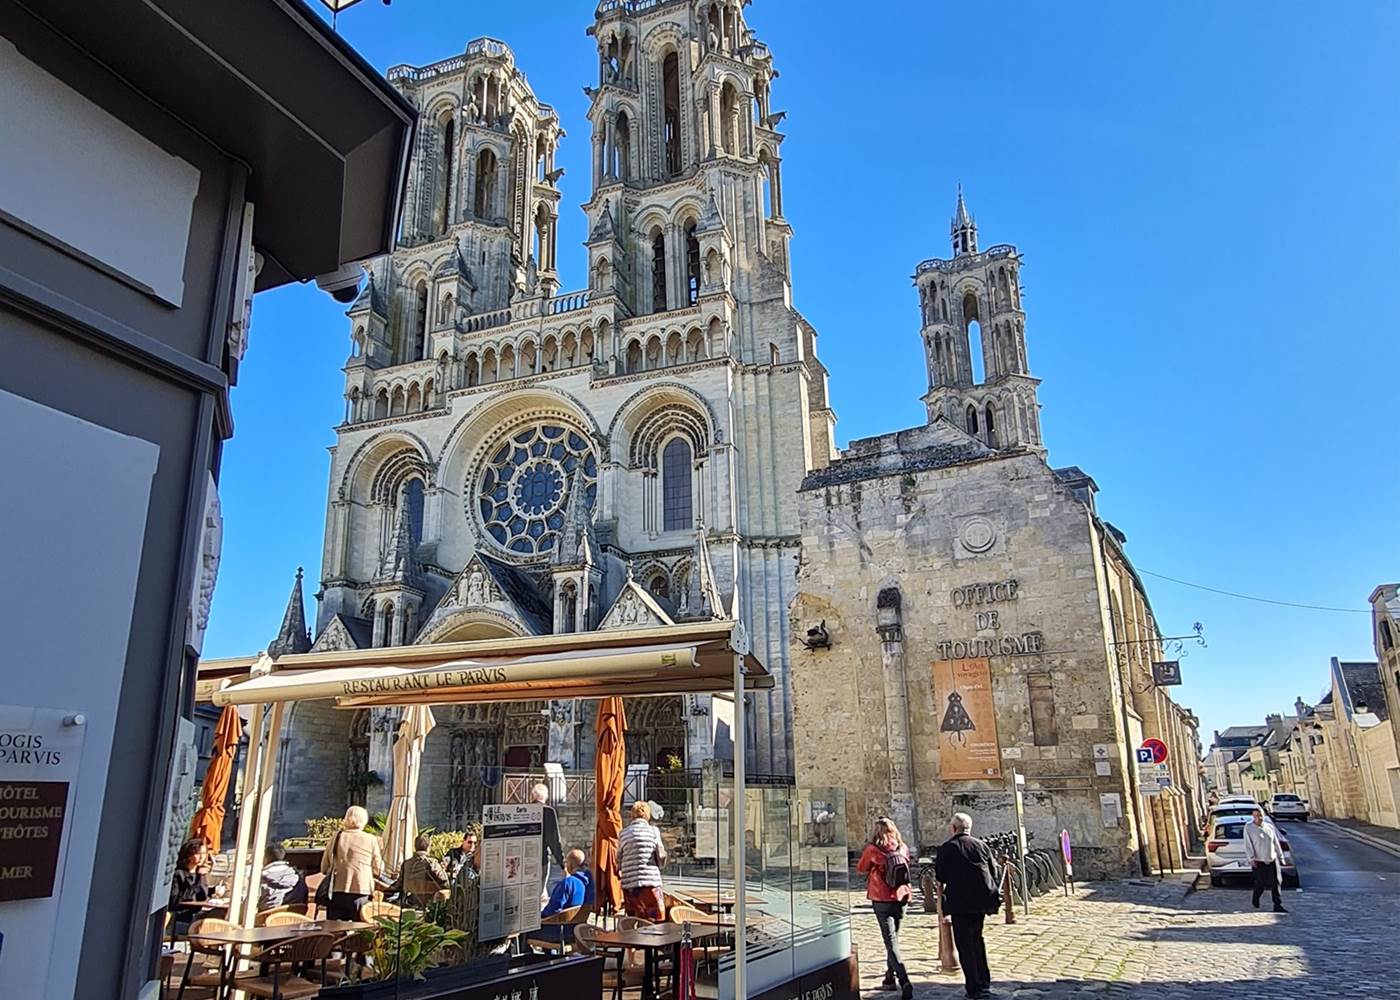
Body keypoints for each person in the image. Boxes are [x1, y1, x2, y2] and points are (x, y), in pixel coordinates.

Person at [935, 812, 998, 1000]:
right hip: (980, 902)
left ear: (954, 829)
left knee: (964, 944)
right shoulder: (981, 845)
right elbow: (994, 870)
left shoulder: (947, 848)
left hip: (960, 903)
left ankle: (974, 986)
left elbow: (941, 875)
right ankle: (984, 981)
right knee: (977, 939)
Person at [857, 817, 913, 1000]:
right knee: (894, 938)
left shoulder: (873, 850)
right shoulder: (902, 848)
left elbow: (861, 868)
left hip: (881, 898)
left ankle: (904, 980)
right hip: (901, 896)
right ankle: (889, 978)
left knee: (890, 941)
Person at [320, 805, 386, 921]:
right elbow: (378, 869)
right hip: (361, 889)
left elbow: (324, 867)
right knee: (359, 930)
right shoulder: (371, 839)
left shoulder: (336, 837)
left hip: (336, 890)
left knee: (335, 929)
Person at [618, 799, 666, 920]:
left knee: (634, 920)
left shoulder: (623, 834)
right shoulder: (653, 831)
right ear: (647, 815)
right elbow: (661, 855)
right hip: (650, 882)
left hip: (630, 885)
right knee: (656, 920)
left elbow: (618, 860)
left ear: (632, 815)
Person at [539, 849, 594, 944]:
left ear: (570, 865)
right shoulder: (590, 883)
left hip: (562, 932)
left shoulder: (567, 883)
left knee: (527, 929)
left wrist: (539, 916)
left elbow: (552, 910)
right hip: (579, 930)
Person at [1244, 808, 1287, 913]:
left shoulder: (1269, 827)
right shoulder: (1249, 828)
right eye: (1256, 816)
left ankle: (1277, 904)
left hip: (1272, 859)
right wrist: (1251, 858)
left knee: (1276, 882)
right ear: (1253, 817)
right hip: (1259, 860)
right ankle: (1256, 897)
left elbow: (1275, 842)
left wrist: (1281, 857)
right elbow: (1248, 844)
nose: (1258, 818)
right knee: (1261, 883)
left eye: (1260, 815)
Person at [169, 839, 210, 932]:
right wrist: (199, 878)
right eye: (198, 853)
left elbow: (202, 895)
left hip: (198, 913)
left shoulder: (200, 873)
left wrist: (215, 890)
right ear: (189, 855)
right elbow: (178, 899)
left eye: (204, 853)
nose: (202, 857)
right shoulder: (179, 874)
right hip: (183, 915)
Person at [397, 834, 452, 902]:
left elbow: (399, 884)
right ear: (428, 847)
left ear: (415, 847)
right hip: (430, 902)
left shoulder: (406, 864)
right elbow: (445, 881)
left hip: (409, 901)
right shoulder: (432, 863)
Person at [532, 783, 565, 891]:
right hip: (542, 859)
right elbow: (554, 841)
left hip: (524, 859)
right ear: (545, 796)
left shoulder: (525, 809)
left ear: (533, 796)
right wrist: (562, 864)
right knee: (539, 891)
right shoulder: (548, 811)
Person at [259, 844, 308, 911]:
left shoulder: (260, 877)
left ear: (265, 857)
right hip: (294, 916)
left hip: (266, 917)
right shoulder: (297, 876)